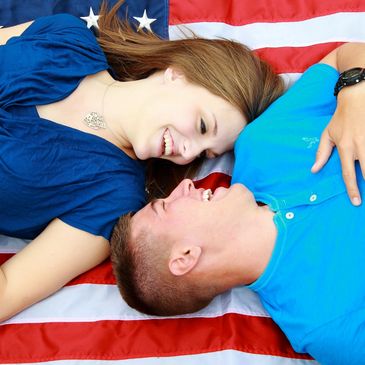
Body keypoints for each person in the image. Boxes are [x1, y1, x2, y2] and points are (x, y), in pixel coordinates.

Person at [0, 0, 285, 323]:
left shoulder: (111, 198)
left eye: (206, 154)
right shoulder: (66, 36)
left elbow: (7, 290)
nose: (189, 154)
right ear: (177, 74)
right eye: (203, 127)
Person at [112, 42, 365, 365]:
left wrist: (356, 87)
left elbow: (344, 56)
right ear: (185, 257)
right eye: (165, 206)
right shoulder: (324, 324)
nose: (185, 184)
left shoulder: (261, 144)